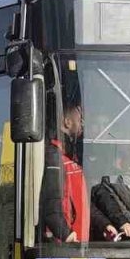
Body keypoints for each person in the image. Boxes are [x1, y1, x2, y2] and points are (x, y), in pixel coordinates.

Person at [39, 101, 90, 243]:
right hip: (65, 244)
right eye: (79, 120)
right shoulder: (53, 154)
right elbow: (51, 200)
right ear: (67, 122)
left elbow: (83, 200)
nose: (82, 125)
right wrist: (65, 233)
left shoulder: (69, 156)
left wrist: (105, 224)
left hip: (78, 242)